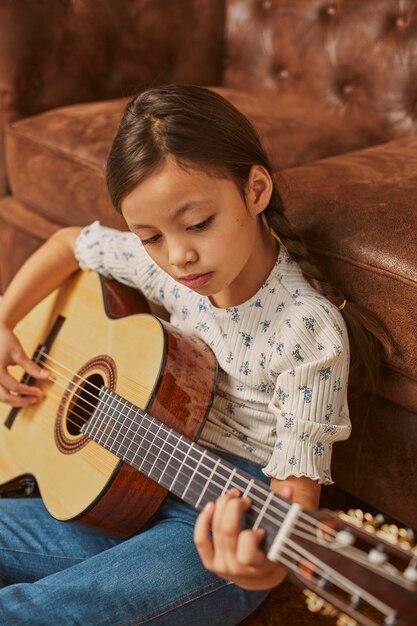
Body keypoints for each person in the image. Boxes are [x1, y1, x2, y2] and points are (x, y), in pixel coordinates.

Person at [0, 85, 389, 625]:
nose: (178, 257)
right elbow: (70, 244)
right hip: (123, 480)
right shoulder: (171, 271)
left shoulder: (308, 328)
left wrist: (259, 568)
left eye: (198, 224)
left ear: (254, 190)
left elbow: (294, 503)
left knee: (33, 613)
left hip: (215, 522)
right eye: (151, 236)